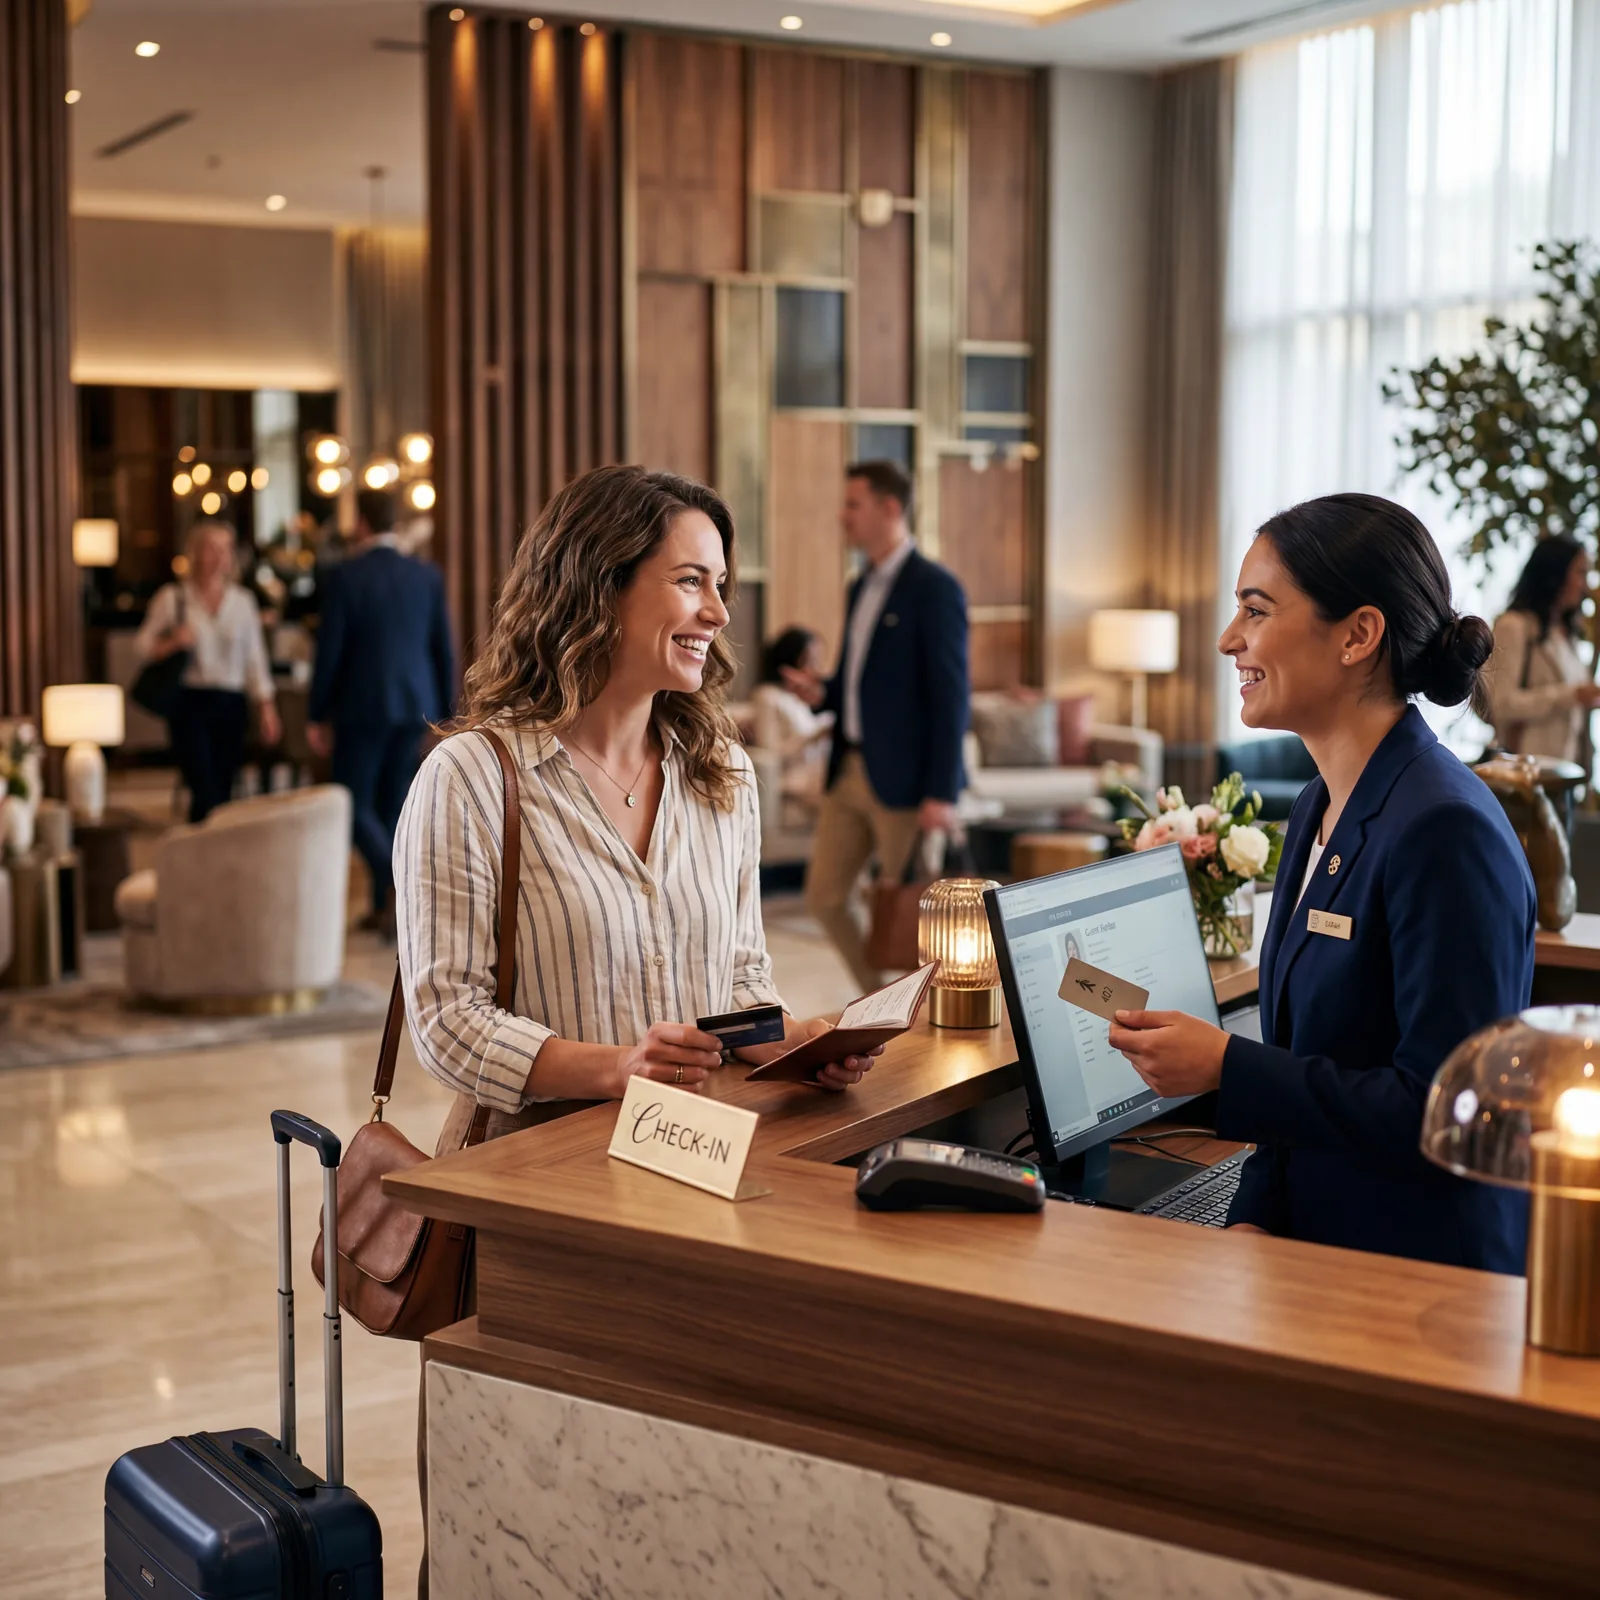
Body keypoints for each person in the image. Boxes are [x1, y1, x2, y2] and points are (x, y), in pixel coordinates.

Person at [395, 464, 882, 1598]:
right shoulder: (474, 777)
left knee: (675, 1498)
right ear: (601, 587)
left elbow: (739, 979)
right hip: (540, 1200)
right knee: (522, 1510)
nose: (719, 613)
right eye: (691, 583)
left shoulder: (721, 776)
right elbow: (449, 1022)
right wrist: (612, 1065)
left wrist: (793, 1040)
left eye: (721, 586)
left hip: (697, 1184)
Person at [1107, 493, 1535, 1273]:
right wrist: (1252, 1221)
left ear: (1358, 636)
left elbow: (1446, 1110)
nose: (1228, 638)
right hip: (1313, 1252)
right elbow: (1307, 1059)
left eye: (1257, 610)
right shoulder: (1317, 806)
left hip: (1420, 1274)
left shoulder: (1446, 830)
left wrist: (1227, 1068)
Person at [784, 460, 970, 992]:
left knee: (914, 920)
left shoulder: (935, 589)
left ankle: (931, 1020)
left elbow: (951, 696)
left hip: (909, 785)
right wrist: (823, 690)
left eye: (852, 504)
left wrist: (942, 790)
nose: (843, 516)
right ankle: (883, 1005)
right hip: (850, 771)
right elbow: (857, 677)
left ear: (890, 508)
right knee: (824, 897)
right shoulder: (859, 584)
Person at [308, 488, 455, 936]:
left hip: (361, 707)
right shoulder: (425, 575)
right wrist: (447, 711)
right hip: (416, 705)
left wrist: (316, 713)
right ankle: (385, 908)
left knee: (352, 806)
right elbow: (442, 648)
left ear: (361, 523)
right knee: (395, 807)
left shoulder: (345, 577)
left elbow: (329, 651)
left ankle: (393, 884)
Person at [135, 521, 281, 823]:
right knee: (203, 786)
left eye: (225, 548)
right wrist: (173, 641)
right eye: (211, 548)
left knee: (225, 786)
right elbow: (142, 645)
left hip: (231, 703)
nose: (218, 556)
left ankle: (216, 850)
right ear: (196, 553)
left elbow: (255, 662)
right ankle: (202, 852)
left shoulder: (243, 602)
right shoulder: (173, 597)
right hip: (191, 703)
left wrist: (266, 708)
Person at [1482, 534, 1600, 763]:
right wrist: (1571, 695)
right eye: (1580, 573)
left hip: (1562, 778)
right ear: (1555, 574)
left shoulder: (1567, 636)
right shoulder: (1515, 627)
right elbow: (1501, 705)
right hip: (1523, 774)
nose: (1585, 585)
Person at [752, 627, 835, 805]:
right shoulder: (768, 696)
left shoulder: (799, 699)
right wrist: (815, 735)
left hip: (813, 770)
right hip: (793, 778)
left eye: (817, 661)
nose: (815, 668)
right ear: (792, 659)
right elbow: (771, 754)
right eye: (810, 661)